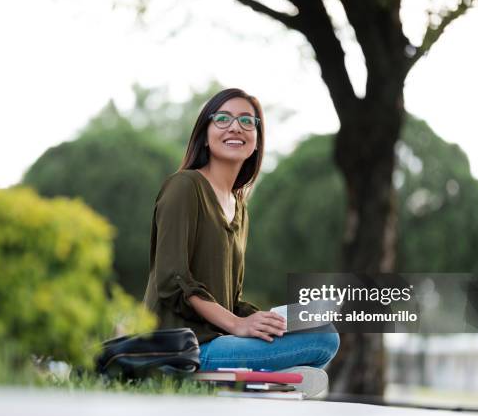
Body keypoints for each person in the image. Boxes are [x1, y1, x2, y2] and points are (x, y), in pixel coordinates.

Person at [143, 88, 340, 398]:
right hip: (184, 347)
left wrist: (267, 320)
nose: (235, 127)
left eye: (247, 121)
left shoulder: (240, 207)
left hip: (219, 338)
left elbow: (230, 299)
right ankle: (256, 379)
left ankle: (260, 379)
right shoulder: (184, 186)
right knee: (323, 340)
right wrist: (236, 324)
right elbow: (173, 280)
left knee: (316, 327)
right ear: (205, 135)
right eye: (223, 119)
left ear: (257, 139)